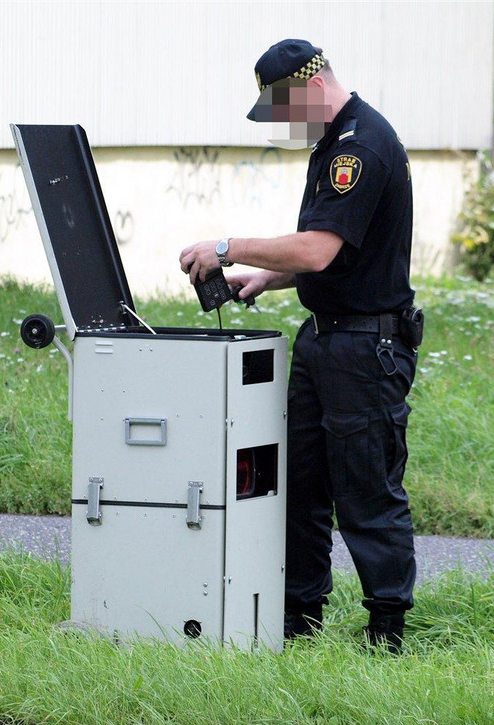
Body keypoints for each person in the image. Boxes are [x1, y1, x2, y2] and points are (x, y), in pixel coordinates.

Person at [179, 39, 420, 653]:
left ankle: (386, 636)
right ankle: (300, 623)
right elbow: (331, 252)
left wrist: (229, 248)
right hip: (325, 341)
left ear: (311, 88)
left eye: (285, 110)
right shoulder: (334, 140)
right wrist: (269, 277)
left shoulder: (358, 146)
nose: (286, 125)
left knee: (367, 491)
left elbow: (317, 248)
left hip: (365, 350)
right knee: (301, 490)